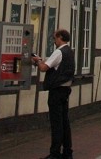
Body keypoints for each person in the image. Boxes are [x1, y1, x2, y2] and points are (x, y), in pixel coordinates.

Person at [31, 29, 75, 159]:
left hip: (56, 90)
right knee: (64, 122)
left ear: (60, 37)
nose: (54, 41)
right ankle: (67, 152)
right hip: (66, 90)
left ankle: (55, 153)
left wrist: (38, 61)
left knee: (56, 122)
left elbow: (44, 68)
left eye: (55, 38)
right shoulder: (70, 52)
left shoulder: (59, 52)